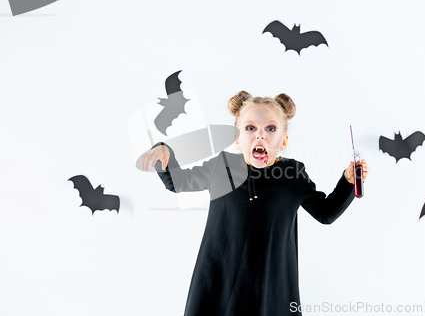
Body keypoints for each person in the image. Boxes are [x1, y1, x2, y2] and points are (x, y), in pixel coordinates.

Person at [139, 91, 370, 316]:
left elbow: (325, 213)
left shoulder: (293, 174)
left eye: (271, 128)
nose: (260, 135)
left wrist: (348, 181)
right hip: (219, 281)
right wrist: (165, 153)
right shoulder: (222, 167)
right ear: (238, 139)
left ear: (284, 140)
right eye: (250, 128)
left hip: (270, 286)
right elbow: (179, 182)